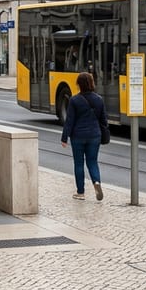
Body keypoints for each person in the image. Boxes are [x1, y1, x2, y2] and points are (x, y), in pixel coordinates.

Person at [60, 71, 107, 201]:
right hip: (94, 135)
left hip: (78, 136)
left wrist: (64, 138)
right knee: (92, 161)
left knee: (79, 164)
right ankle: (96, 182)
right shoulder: (99, 99)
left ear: (78, 84)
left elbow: (69, 121)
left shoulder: (74, 100)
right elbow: (104, 120)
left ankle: (80, 193)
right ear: (92, 83)